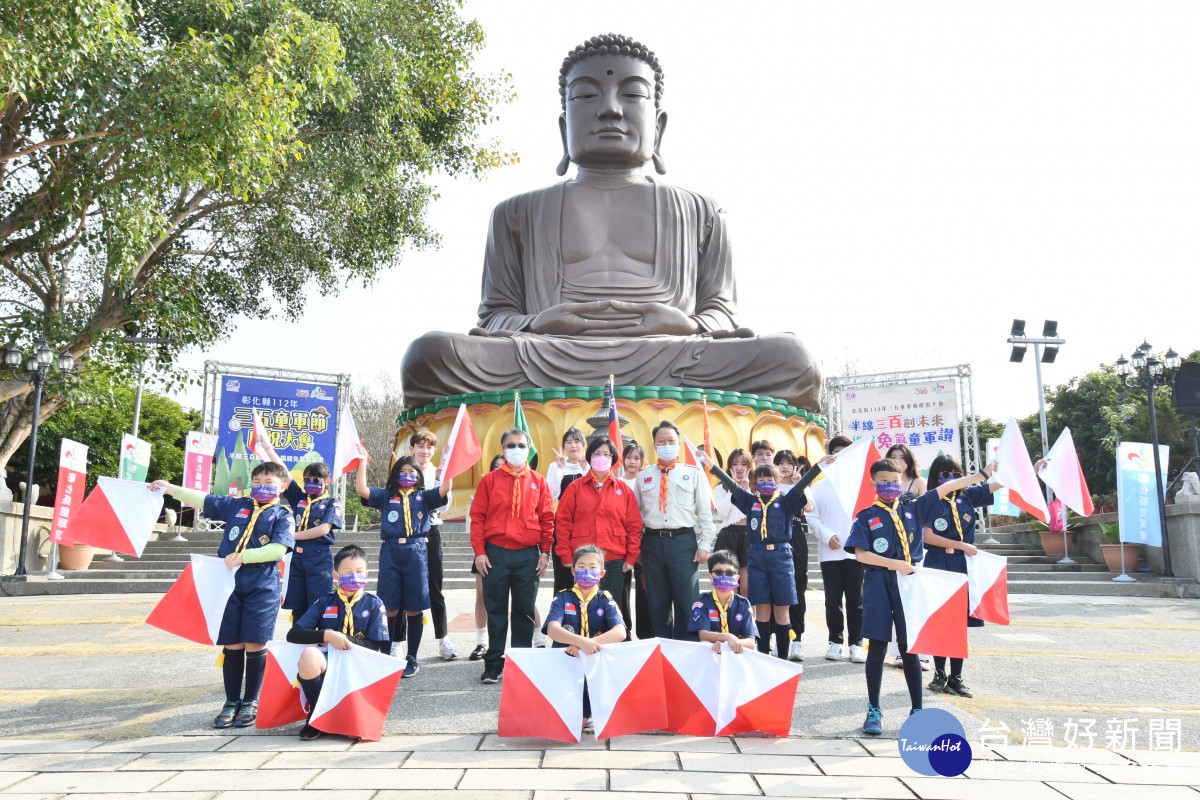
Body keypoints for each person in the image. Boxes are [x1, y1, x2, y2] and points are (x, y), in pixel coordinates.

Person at [399, 33, 822, 413]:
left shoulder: (702, 211)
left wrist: (687, 323)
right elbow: (496, 315)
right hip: (546, 355)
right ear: (564, 126)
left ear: (658, 126)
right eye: (585, 96)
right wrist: (536, 323)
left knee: (793, 359)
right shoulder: (516, 212)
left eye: (632, 94)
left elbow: (721, 313)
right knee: (430, 356)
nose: (609, 109)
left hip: (675, 355)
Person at [844, 456, 997, 735]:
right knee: (877, 647)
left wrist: (982, 475)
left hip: (910, 584)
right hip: (880, 582)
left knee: (910, 647)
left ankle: (917, 710)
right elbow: (860, 553)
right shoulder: (866, 516)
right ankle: (874, 710)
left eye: (894, 481)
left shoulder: (914, 508)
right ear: (873, 484)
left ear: (902, 482)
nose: (890, 486)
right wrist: (894, 564)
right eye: (884, 482)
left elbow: (945, 490)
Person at [150, 462, 295, 728]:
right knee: (231, 643)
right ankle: (231, 701)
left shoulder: (283, 515)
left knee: (254, 643)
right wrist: (170, 489)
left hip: (261, 583)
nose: (262, 487)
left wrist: (244, 557)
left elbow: (278, 549)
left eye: (269, 483)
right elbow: (204, 498)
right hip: (228, 582)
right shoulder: (237, 505)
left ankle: (250, 701)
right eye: (258, 482)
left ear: (282, 487)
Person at [702, 452, 827, 660]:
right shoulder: (751, 502)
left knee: (782, 609)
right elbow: (731, 486)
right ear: (755, 483)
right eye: (761, 480)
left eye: (769, 480)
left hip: (782, 558)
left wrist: (818, 467)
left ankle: (783, 658)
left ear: (778, 482)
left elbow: (801, 484)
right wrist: (710, 464)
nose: (765, 484)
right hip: (757, 557)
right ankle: (763, 656)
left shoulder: (786, 502)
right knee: (761, 609)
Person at [354, 454, 452, 678]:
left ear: (418, 475)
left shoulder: (424, 497)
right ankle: (387, 656)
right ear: (395, 475)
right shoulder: (387, 495)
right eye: (402, 472)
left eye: (411, 472)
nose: (407, 476)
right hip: (390, 552)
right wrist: (362, 462)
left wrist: (448, 464)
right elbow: (361, 489)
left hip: (417, 552)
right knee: (389, 607)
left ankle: (412, 657)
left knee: (414, 608)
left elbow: (445, 488)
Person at [470, 428, 554, 684]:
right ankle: (493, 663)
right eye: (511, 445)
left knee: (524, 610)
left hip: (528, 555)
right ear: (503, 449)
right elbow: (477, 518)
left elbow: (547, 518)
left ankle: (521, 661)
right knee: (495, 609)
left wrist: (545, 552)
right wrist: (480, 553)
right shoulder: (490, 480)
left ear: (528, 450)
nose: (516, 449)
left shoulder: (538, 481)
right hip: (496, 554)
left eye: (521, 445)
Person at [921, 454, 1005, 698]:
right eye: (944, 474)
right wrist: (961, 546)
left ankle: (956, 678)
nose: (951, 479)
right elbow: (927, 536)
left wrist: (1031, 469)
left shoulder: (969, 495)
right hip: (938, 563)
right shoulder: (931, 500)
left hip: (962, 566)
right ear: (935, 478)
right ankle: (939, 675)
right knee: (940, 621)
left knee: (959, 624)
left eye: (955, 474)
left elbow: (1002, 483)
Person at [286, 544, 389, 740]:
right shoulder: (325, 601)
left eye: (359, 572)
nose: (354, 576)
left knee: (354, 734)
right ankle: (316, 717)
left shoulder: (374, 604)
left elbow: (377, 647)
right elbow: (294, 634)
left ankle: (350, 715)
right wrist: (326, 635)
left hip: (359, 670)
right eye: (348, 572)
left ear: (367, 573)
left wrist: (342, 639)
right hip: (329, 665)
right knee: (309, 656)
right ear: (336, 575)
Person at [636, 420, 716, 640]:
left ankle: (686, 648)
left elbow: (705, 513)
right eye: (661, 441)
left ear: (679, 444)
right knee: (657, 602)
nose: (666, 444)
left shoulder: (692, 473)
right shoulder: (643, 476)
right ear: (654, 445)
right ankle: (662, 647)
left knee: (686, 601)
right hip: (652, 543)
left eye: (671, 441)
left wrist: (704, 545)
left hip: (683, 543)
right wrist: (637, 549)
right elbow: (636, 517)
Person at [555, 436, 641, 624]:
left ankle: (614, 644)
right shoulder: (575, 488)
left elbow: (634, 526)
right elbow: (562, 523)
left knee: (613, 607)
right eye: (597, 453)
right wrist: (566, 554)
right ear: (589, 456)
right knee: (583, 606)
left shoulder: (623, 489)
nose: (601, 457)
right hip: (583, 560)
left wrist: (631, 556)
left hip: (614, 558)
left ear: (613, 458)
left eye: (606, 454)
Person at [544, 544, 628, 732]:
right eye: (581, 567)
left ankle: (591, 710)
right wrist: (580, 642)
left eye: (592, 568)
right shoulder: (562, 598)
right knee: (567, 725)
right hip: (567, 666)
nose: (586, 571)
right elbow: (552, 629)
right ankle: (579, 710)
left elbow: (620, 632)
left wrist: (587, 646)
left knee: (576, 725)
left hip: (594, 667)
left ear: (602, 573)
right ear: (573, 571)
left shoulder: (605, 599)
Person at [806, 435, 867, 664]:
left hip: (855, 551)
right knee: (833, 600)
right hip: (829, 552)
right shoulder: (819, 486)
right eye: (836, 453)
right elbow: (811, 517)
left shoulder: (860, 487)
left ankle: (856, 644)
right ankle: (834, 641)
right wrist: (827, 535)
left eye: (845, 453)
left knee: (856, 601)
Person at [408, 430, 457, 662]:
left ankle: (443, 639)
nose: (424, 451)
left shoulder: (439, 472)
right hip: (407, 534)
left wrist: (441, 480)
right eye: (420, 446)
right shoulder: (403, 472)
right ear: (412, 449)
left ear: (434, 451)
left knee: (435, 587)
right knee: (405, 589)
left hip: (431, 531)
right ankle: (398, 643)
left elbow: (445, 507)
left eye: (428, 447)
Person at [884, 443, 931, 671]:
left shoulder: (919, 483)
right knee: (896, 603)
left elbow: (928, 513)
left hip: (914, 549)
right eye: (893, 457)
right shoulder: (883, 485)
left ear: (909, 460)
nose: (898, 461)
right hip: (891, 551)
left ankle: (921, 653)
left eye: (902, 457)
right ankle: (898, 653)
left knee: (916, 603)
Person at [279, 462, 343, 622]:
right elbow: (283, 471)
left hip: (319, 558)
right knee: (298, 606)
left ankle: (320, 643)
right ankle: (298, 641)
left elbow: (323, 530)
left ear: (327, 481)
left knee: (318, 604)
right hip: (298, 559)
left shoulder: (332, 503)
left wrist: (291, 536)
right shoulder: (299, 497)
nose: (310, 484)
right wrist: (266, 445)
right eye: (307, 480)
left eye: (316, 480)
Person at [775, 449, 812, 662]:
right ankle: (774, 636)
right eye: (780, 463)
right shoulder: (769, 484)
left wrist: (800, 485)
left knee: (798, 588)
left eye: (789, 463)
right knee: (775, 588)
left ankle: (796, 639)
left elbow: (809, 506)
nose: (785, 467)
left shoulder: (801, 484)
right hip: (774, 535)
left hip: (796, 535)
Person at [469, 454, 507, 660]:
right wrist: (479, 552)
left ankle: (537, 640)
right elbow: (477, 519)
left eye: (504, 466)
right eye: (496, 466)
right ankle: (481, 642)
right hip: (485, 550)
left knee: (523, 599)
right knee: (482, 595)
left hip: (512, 551)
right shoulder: (486, 487)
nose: (499, 469)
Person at [688, 550, 757, 653]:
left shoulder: (743, 604)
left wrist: (729, 643)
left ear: (737, 578)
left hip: (736, 654)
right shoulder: (703, 601)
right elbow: (703, 635)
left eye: (729, 573)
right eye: (719, 572)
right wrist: (727, 637)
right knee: (705, 644)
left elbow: (751, 642)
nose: (724, 577)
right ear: (710, 577)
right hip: (712, 653)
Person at [547, 427, 588, 593]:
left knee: (585, 573)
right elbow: (551, 493)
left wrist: (585, 469)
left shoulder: (591, 465)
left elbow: (592, 492)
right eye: (569, 442)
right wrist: (560, 469)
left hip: (585, 524)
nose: (573, 446)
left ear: (584, 445)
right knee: (562, 573)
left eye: (577, 442)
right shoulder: (555, 465)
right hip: (563, 523)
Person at [621, 441, 653, 640]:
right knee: (622, 589)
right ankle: (623, 631)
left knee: (644, 588)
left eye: (636, 458)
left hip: (644, 540)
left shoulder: (646, 481)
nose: (632, 462)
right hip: (621, 540)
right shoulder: (616, 482)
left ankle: (646, 634)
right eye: (629, 457)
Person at [712, 448, 751, 592]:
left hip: (749, 535)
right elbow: (722, 512)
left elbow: (754, 511)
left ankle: (748, 614)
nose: (739, 468)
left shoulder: (754, 485)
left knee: (748, 585)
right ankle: (728, 614)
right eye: (735, 464)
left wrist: (745, 489)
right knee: (729, 584)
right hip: (728, 535)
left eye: (743, 463)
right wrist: (733, 488)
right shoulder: (721, 487)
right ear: (729, 467)